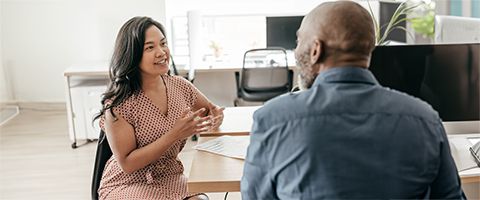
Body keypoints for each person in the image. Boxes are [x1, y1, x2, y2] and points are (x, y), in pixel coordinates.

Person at [241, 1, 465, 199]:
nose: (296, 48)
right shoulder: (425, 119)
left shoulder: (273, 118)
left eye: (299, 40)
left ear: (316, 50)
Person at [93, 16, 224, 200]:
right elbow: (128, 164)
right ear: (132, 54)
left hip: (169, 176)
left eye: (163, 44)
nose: (161, 52)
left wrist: (216, 117)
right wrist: (175, 134)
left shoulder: (180, 86)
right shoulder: (119, 103)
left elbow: (210, 110)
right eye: (150, 47)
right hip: (126, 183)